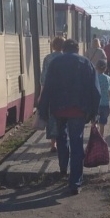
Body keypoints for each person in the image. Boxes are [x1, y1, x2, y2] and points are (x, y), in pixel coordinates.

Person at [38, 39, 101, 195]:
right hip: (79, 110)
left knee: (61, 138)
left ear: (64, 49)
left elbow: (47, 88)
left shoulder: (55, 63)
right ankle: (75, 182)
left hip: (58, 109)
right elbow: (96, 91)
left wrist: (43, 110)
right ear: (78, 49)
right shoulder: (86, 63)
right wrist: (94, 113)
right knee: (77, 143)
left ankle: (62, 168)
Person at [39, 36, 65, 153]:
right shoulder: (66, 58)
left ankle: (53, 144)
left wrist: (41, 94)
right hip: (64, 93)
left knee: (52, 117)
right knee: (64, 116)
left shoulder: (48, 58)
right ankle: (63, 142)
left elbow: (43, 78)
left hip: (51, 93)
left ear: (53, 46)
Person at [95, 59, 110, 136]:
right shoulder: (108, 78)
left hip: (95, 104)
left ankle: (95, 135)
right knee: (102, 123)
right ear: (105, 68)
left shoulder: (94, 78)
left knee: (95, 121)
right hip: (105, 104)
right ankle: (101, 138)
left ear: (96, 68)